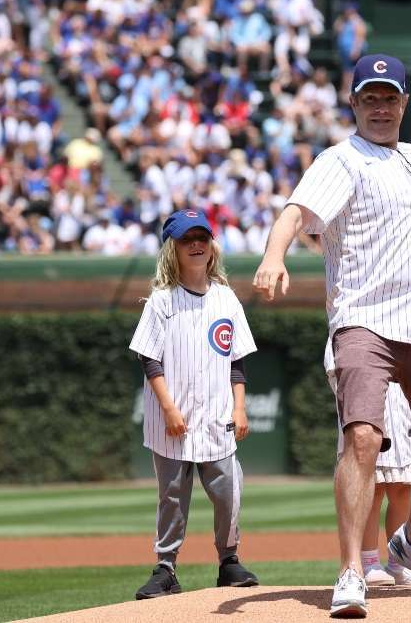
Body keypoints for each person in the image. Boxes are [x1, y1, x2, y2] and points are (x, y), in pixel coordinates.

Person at [253, 54, 411, 618]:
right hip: (362, 321)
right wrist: (273, 255)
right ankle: (352, 570)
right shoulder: (340, 160)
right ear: (353, 103)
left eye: (390, 97)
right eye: (370, 97)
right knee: (362, 439)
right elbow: (295, 211)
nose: (381, 106)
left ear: (404, 103)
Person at [129, 209, 261, 600]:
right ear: (173, 248)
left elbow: (236, 360)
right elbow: (149, 358)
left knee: (229, 490)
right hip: (172, 417)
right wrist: (168, 407)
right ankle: (166, 567)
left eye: (203, 236)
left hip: (218, 415)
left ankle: (229, 560)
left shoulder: (225, 298)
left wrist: (240, 406)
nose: (197, 244)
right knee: (172, 496)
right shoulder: (161, 300)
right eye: (188, 239)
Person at [327, 347, 411, 589]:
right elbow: (337, 371)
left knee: (403, 486)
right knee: (374, 487)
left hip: (399, 408)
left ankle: (398, 563)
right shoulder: (345, 326)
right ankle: (369, 562)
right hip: (364, 410)